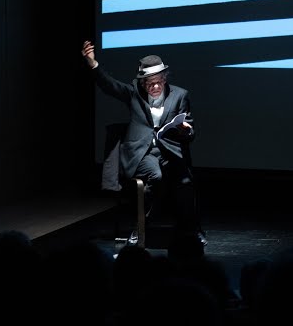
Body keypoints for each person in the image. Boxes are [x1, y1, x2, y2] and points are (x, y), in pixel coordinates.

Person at [81, 40, 206, 247]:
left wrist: (186, 130)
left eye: (158, 82)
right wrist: (93, 64)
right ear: (142, 83)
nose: (155, 87)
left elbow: (190, 132)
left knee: (185, 183)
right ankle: (141, 227)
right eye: (149, 83)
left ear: (164, 79)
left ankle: (192, 230)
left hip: (169, 152)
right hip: (142, 153)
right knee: (155, 177)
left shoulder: (180, 95)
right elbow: (110, 85)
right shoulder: (134, 93)